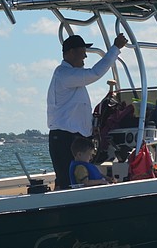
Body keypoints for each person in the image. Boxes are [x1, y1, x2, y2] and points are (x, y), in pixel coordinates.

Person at [47, 32, 128, 190]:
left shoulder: (73, 77)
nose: (85, 56)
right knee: (67, 183)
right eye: (82, 51)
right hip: (64, 139)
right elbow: (95, 73)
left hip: (74, 138)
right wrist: (115, 48)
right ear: (71, 52)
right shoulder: (65, 74)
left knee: (75, 182)